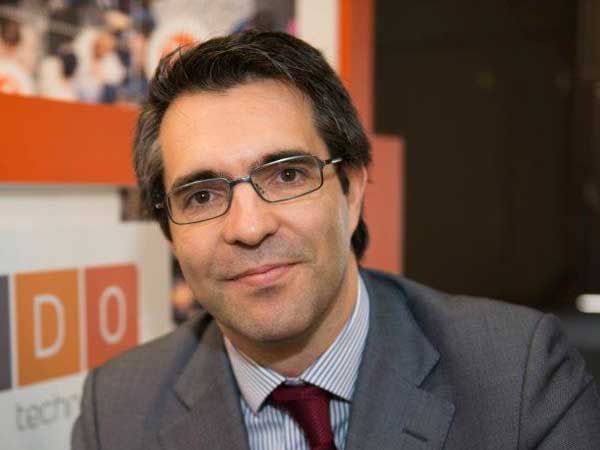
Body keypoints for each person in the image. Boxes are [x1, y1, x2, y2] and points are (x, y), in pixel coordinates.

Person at [71, 31, 600, 450]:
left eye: (286, 175)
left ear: (351, 192)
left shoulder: (519, 375)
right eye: (202, 196)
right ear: (169, 233)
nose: (249, 228)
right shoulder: (115, 412)